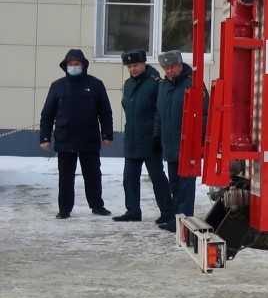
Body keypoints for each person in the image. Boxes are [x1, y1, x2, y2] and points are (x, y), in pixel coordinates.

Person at [38, 49, 113, 219]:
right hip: (65, 139)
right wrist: (44, 137)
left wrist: (107, 134)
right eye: (70, 64)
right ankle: (64, 209)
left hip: (89, 138)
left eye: (76, 64)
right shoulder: (57, 86)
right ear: (65, 66)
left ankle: (97, 206)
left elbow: (105, 112)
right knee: (65, 177)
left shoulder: (95, 84)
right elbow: (47, 114)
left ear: (83, 65)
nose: (73, 67)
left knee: (93, 174)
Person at [114, 50, 173, 223]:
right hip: (132, 137)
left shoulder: (155, 83)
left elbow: (159, 111)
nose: (133, 69)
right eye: (130, 66)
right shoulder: (128, 84)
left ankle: (167, 212)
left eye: (136, 65)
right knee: (129, 177)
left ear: (144, 64)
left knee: (156, 177)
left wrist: (156, 135)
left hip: (150, 139)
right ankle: (133, 211)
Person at [155, 51, 204, 232]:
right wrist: (156, 136)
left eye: (172, 67)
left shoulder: (192, 84)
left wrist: (199, 140)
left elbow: (204, 114)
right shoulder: (163, 86)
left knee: (186, 186)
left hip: (188, 144)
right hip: (170, 144)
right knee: (174, 184)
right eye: (166, 68)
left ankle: (184, 222)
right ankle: (177, 220)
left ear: (180, 65)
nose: (169, 71)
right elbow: (159, 114)